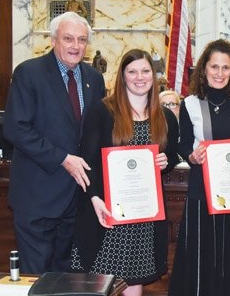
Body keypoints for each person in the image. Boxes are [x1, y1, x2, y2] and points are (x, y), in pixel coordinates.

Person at [3, 11, 106, 274]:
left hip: (76, 200)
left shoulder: (94, 79)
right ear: (53, 40)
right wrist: (63, 159)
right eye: (68, 38)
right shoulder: (29, 73)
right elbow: (16, 129)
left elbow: (99, 133)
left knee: (66, 280)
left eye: (82, 40)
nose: (76, 46)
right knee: (36, 278)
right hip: (37, 198)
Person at [70, 49, 179, 296]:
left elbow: (171, 155)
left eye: (145, 71)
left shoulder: (165, 118)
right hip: (106, 212)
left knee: (133, 281)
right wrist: (95, 198)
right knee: (97, 283)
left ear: (154, 75)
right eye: (132, 71)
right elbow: (89, 161)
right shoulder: (103, 112)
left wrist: (165, 161)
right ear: (123, 76)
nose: (139, 77)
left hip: (142, 215)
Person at [168, 39, 230, 296]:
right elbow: (183, 143)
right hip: (203, 191)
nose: (219, 73)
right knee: (203, 257)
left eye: (225, 67)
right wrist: (192, 156)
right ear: (204, 69)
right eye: (214, 67)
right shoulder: (189, 104)